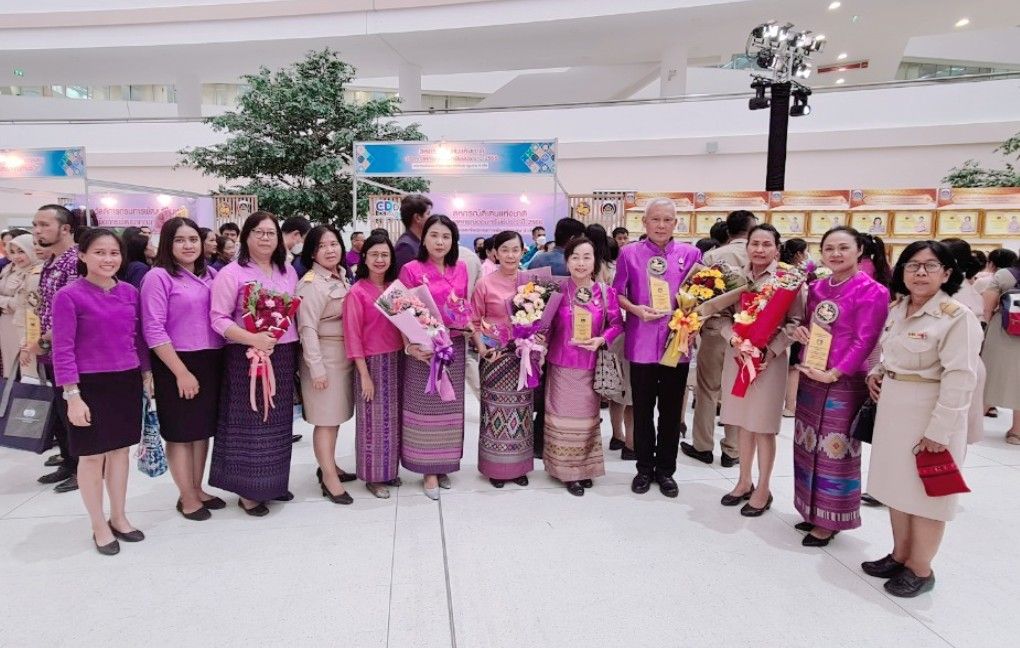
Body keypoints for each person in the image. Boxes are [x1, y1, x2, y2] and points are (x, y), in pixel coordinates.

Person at [864, 241, 982, 597]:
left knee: (927, 494)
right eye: (912, 265)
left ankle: (920, 567)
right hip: (894, 410)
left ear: (947, 273)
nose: (919, 273)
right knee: (895, 487)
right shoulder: (899, 309)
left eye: (930, 266)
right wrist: (878, 372)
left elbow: (961, 378)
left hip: (929, 415)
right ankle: (900, 554)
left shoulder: (955, 316)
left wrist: (940, 431)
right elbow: (895, 353)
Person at [52, 228, 151, 555]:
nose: (108, 259)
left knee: (120, 452)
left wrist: (147, 373)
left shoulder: (128, 292)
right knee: (92, 456)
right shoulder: (68, 295)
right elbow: (62, 349)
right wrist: (72, 395)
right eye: (99, 252)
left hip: (125, 380)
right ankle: (98, 524)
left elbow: (138, 338)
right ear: (82, 255)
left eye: (114, 253)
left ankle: (119, 516)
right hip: (88, 385)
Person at [788, 227, 889, 545]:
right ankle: (809, 509)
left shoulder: (873, 291)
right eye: (829, 247)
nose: (835, 253)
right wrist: (800, 333)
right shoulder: (816, 287)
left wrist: (836, 372)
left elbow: (866, 339)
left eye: (843, 247)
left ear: (859, 250)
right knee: (807, 443)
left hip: (844, 380)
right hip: (811, 373)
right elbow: (811, 324)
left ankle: (830, 519)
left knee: (836, 449)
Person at [209, 212, 300, 516]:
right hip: (245, 355)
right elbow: (218, 318)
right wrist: (252, 338)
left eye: (271, 233)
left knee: (278, 420)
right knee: (251, 421)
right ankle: (249, 491)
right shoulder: (231, 273)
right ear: (246, 237)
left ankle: (273, 483)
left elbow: (291, 312)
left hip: (283, 353)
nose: (265, 238)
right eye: (258, 232)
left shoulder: (287, 272)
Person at [614, 198, 702, 497]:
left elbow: (701, 296)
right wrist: (636, 310)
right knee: (642, 410)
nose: (661, 225)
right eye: (655, 220)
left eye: (667, 220)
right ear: (645, 223)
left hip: (677, 345)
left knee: (670, 412)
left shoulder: (691, 254)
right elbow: (618, 294)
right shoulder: (629, 254)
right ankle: (643, 468)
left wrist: (691, 319)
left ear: (676, 223)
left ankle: (666, 470)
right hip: (640, 343)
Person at [141, 217, 226, 521]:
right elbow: (153, 328)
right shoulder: (159, 277)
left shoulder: (211, 274)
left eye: (193, 239)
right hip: (176, 362)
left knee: (201, 431)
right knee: (180, 433)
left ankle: (197, 487)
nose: (188, 245)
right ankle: (186, 496)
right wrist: (180, 371)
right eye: (180, 240)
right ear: (167, 244)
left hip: (211, 359)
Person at [717, 225, 804, 517]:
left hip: (769, 363)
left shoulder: (788, 280)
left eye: (767, 244)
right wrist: (734, 338)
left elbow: (795, 323)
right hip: (737, 358)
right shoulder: (734, 277)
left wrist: (771, 349)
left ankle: (764, 488)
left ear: (777, 249)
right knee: (742, 422)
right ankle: (744, 481)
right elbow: (718, 316)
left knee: (763, 426)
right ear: (747, 246)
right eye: (755, 243)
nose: (760, 250)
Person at [544, 237, 623, 495]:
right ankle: (567, 472)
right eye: (575, 257)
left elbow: (616, 325)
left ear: (595, 261)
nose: (580, 263)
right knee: (562, 420)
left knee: (586, 421)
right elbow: (544, 326)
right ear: (566, 260)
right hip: (562, 364)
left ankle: (584, 469)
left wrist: (602, 339)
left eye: (586, 257)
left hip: (590, 365)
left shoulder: (605, 292)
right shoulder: (555, 290)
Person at [398, 214, 469, 500]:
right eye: (434, 235)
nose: (440, 242)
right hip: (424, 350)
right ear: (424, 238)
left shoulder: (461, 267)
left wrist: (467, 321)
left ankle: (444, 465)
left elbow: (464, 305)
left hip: (454, 347)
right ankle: (428, 469)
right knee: (425, 408)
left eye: (446, 237)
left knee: (450, 408)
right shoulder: (411, 269)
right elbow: (401, 311)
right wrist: (410, 346)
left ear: (453, 241)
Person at [686, 210, 757, 467]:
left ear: (728, 230)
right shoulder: (758, 256)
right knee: (738, 389)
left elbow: (696, 294)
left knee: (707, 388)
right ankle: (732, 450)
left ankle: (703, 446)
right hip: (748, 332)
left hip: (715, 329)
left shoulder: (713, 256)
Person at [296, 225, 356, 505]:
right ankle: (328, 478)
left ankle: (330, 465)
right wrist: (316, 368)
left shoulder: (342, 276)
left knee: (336, 416)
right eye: (322, 246)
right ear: (312, 253)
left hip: (343, 356)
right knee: (325, 421)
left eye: (334, 244)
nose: (330, 250)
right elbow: (307, 329)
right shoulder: (311, 284)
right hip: (324, 358)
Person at [470, 230, 534, 488]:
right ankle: (495, 467)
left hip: (522, 357)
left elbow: (541, 321)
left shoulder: (531, 282)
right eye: (504, 249)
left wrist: (537, 342)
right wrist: (482, 349)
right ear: (495, 252)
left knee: (521, 412)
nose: (510, 255)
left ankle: (518, 467)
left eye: (515, 249)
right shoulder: (485, 283)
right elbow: (474, 321)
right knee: (494, 412)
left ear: (522, 251)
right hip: (495, 356)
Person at [343, 233, 404, 499]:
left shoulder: (395, 288)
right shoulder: (356, 292)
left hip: (398, 359)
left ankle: (388, 470)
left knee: (392, 420)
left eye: (385, 255)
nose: (380, 260)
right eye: (374, 254)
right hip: (371, 364)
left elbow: (407, 326)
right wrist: (364, 375)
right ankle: (372, 476)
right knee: (372, 421)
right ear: (364, 258)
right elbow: (352, 336)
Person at [29, 205, 82, 492]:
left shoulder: (75, 263)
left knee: (72, 411)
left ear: (65, 228)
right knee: (59, 412)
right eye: (35, 224)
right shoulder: (51, 262)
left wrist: (41, 343)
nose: (37, 230)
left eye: (44, 225)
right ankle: (68, 460)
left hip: (68, 352)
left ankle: (82, 467)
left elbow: (70, 316)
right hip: (50, 352)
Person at [980, 252, 1020, 444]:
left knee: (990, 375)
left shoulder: (1005, 275)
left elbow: (987, 307)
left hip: (1004, 332)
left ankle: (973, 422)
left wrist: (988, 324)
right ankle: (1017, 432)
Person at [0, 234, 41, 378]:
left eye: (21, 251)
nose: (17, 256)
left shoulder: (36, 272)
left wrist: (3, 302)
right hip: (6, 325)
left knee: (27, 370)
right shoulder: (8, 269)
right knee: (9, 369)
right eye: (13, 252)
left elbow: (21, 304)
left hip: (25, 327)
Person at [394, 194, 432, 273]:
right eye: (428, 213)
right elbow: (404, 281)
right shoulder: (406, 247)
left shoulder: (419, 241)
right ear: (417, 217)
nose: (431, 217)